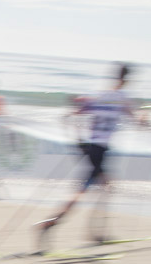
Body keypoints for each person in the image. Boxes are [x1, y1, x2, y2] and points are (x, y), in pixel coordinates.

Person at [36, 63, 144, 242]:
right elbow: (137, 121)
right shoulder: (123, 98)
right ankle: (51, 223)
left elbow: (70, 116)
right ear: (129, 79)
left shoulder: (100, 95)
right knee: (84, 191)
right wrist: (147, 120)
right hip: (99, 150)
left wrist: (79, 140)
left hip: (90, 147)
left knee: (105, 186)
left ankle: (95, 232)